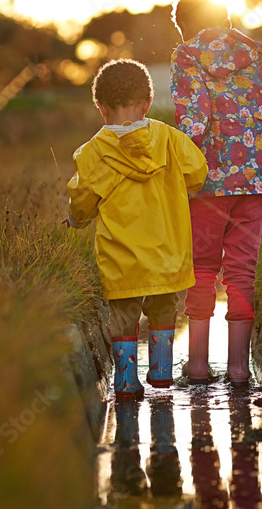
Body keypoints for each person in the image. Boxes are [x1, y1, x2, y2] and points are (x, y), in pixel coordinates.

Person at [170, 0, 262, 385]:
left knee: (203, 268)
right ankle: (240, 369)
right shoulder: (256, 51)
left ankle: (196, 366)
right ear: (226, 19)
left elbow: (194, 118)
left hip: (209, 179)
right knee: (243, 270)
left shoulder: (187, 55)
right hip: (258, 176)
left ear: (182, 25)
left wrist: (179, 170)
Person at [64, 58, 208, 400]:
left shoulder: (93, 153)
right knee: (163, 307)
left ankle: (126, 381)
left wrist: (75, 219)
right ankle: (161, 373)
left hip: (121, 257)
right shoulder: (170, 140)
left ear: (101, 108)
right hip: (167, 253)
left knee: (123, 317)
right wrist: (182, 187)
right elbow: (198, 172)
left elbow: (82, 199)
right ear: (147, 103)